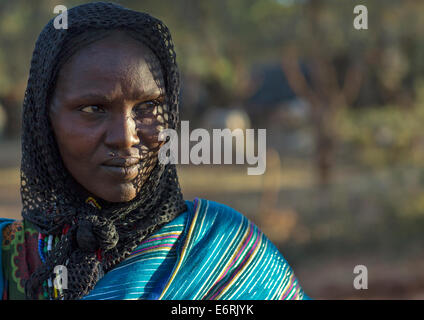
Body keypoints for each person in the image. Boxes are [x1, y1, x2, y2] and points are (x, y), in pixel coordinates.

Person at [0, 2, 308, 300]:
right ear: (43, 119)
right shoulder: (8, 260)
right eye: (93, 108)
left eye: (148, 106)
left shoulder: (223, 251)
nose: (125, 137)